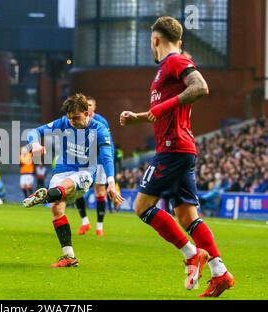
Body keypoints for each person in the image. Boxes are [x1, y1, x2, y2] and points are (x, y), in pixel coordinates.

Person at [119, 16, 233, 297]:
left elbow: (200, 87)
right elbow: (163, 112)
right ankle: (220, 273)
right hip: (181, 149)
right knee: (186, 216)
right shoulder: (164, 71)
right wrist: (138, 118)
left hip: (173, 148)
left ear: (154, 40)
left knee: (142, 206)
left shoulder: (174, 61)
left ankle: (193, 253)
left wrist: (165, 105)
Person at [23, 93, 124, 268]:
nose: (72, 122)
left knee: (66, 185)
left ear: (87, 113)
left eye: (75, 118)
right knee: (56, 208)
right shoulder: (63, 122)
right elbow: (34, 131)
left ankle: (45, 196)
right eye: (70, 118)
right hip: (62, 170)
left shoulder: (100, 129)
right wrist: (35, 144)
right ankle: (69, 256)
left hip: (84, 172)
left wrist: (110, 181)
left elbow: (108, 156)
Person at [75, 96, 117, 236]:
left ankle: (99, 227)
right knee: (78, 190)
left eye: (90, 105)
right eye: (86, 105)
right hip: (84, 160)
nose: (88, 107)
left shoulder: (101, 121)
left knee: (100, 192)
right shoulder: (79, 119)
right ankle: (85, 222)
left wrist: (109, 161)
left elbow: (108, 143)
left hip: (99, 162)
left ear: (95, 107)